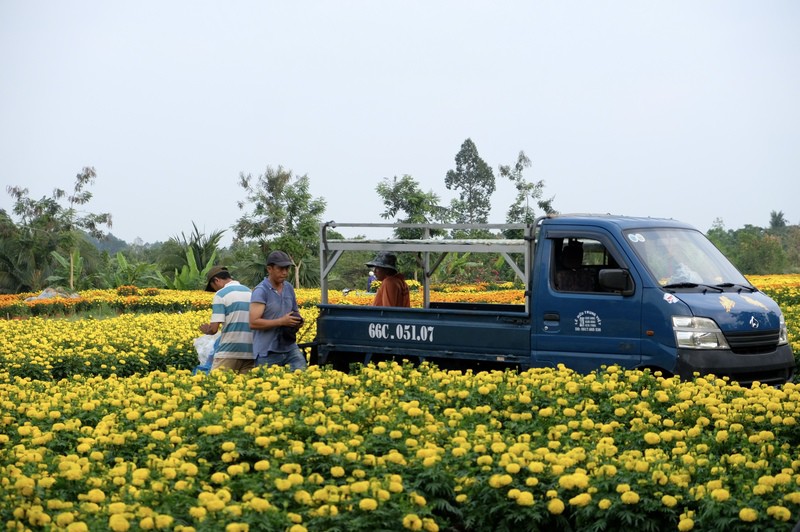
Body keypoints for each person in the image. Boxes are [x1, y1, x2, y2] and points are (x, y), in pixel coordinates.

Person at [249, 250, 307, 371]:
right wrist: (281, 321)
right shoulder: (261, 291)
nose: (285, 273)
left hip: (289, 347)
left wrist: (298, 321)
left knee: (302, 378)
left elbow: (294, 312)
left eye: (287, 269)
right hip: (267, 352)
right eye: (280, 269)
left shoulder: (289, 288)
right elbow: (253, 323)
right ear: (269, 269)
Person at [199, 266, 255, 374]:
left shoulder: (220, 294)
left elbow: (214, 329)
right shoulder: (249, 292)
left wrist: (207, 330)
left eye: (213, 287)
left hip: (229, 351)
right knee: (244, 388)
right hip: (250, 351)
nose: (215, 290)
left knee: (216, 385)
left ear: (216, 280)